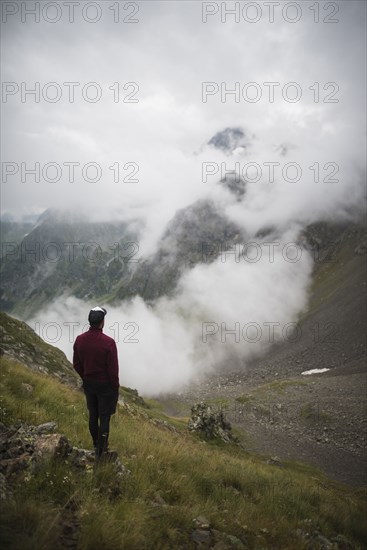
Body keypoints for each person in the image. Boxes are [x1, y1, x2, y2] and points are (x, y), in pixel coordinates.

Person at [73, 307, 120, 459]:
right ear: (102, 322)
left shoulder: (80, 340)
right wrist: (114, 386)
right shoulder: (109, 343)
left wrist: (86, 376)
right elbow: (113, 369)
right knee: (104, 417)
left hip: (89, 384)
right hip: (105, 386)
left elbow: (77, 364)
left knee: (93, 415)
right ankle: (102, 448)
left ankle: (95, 444)